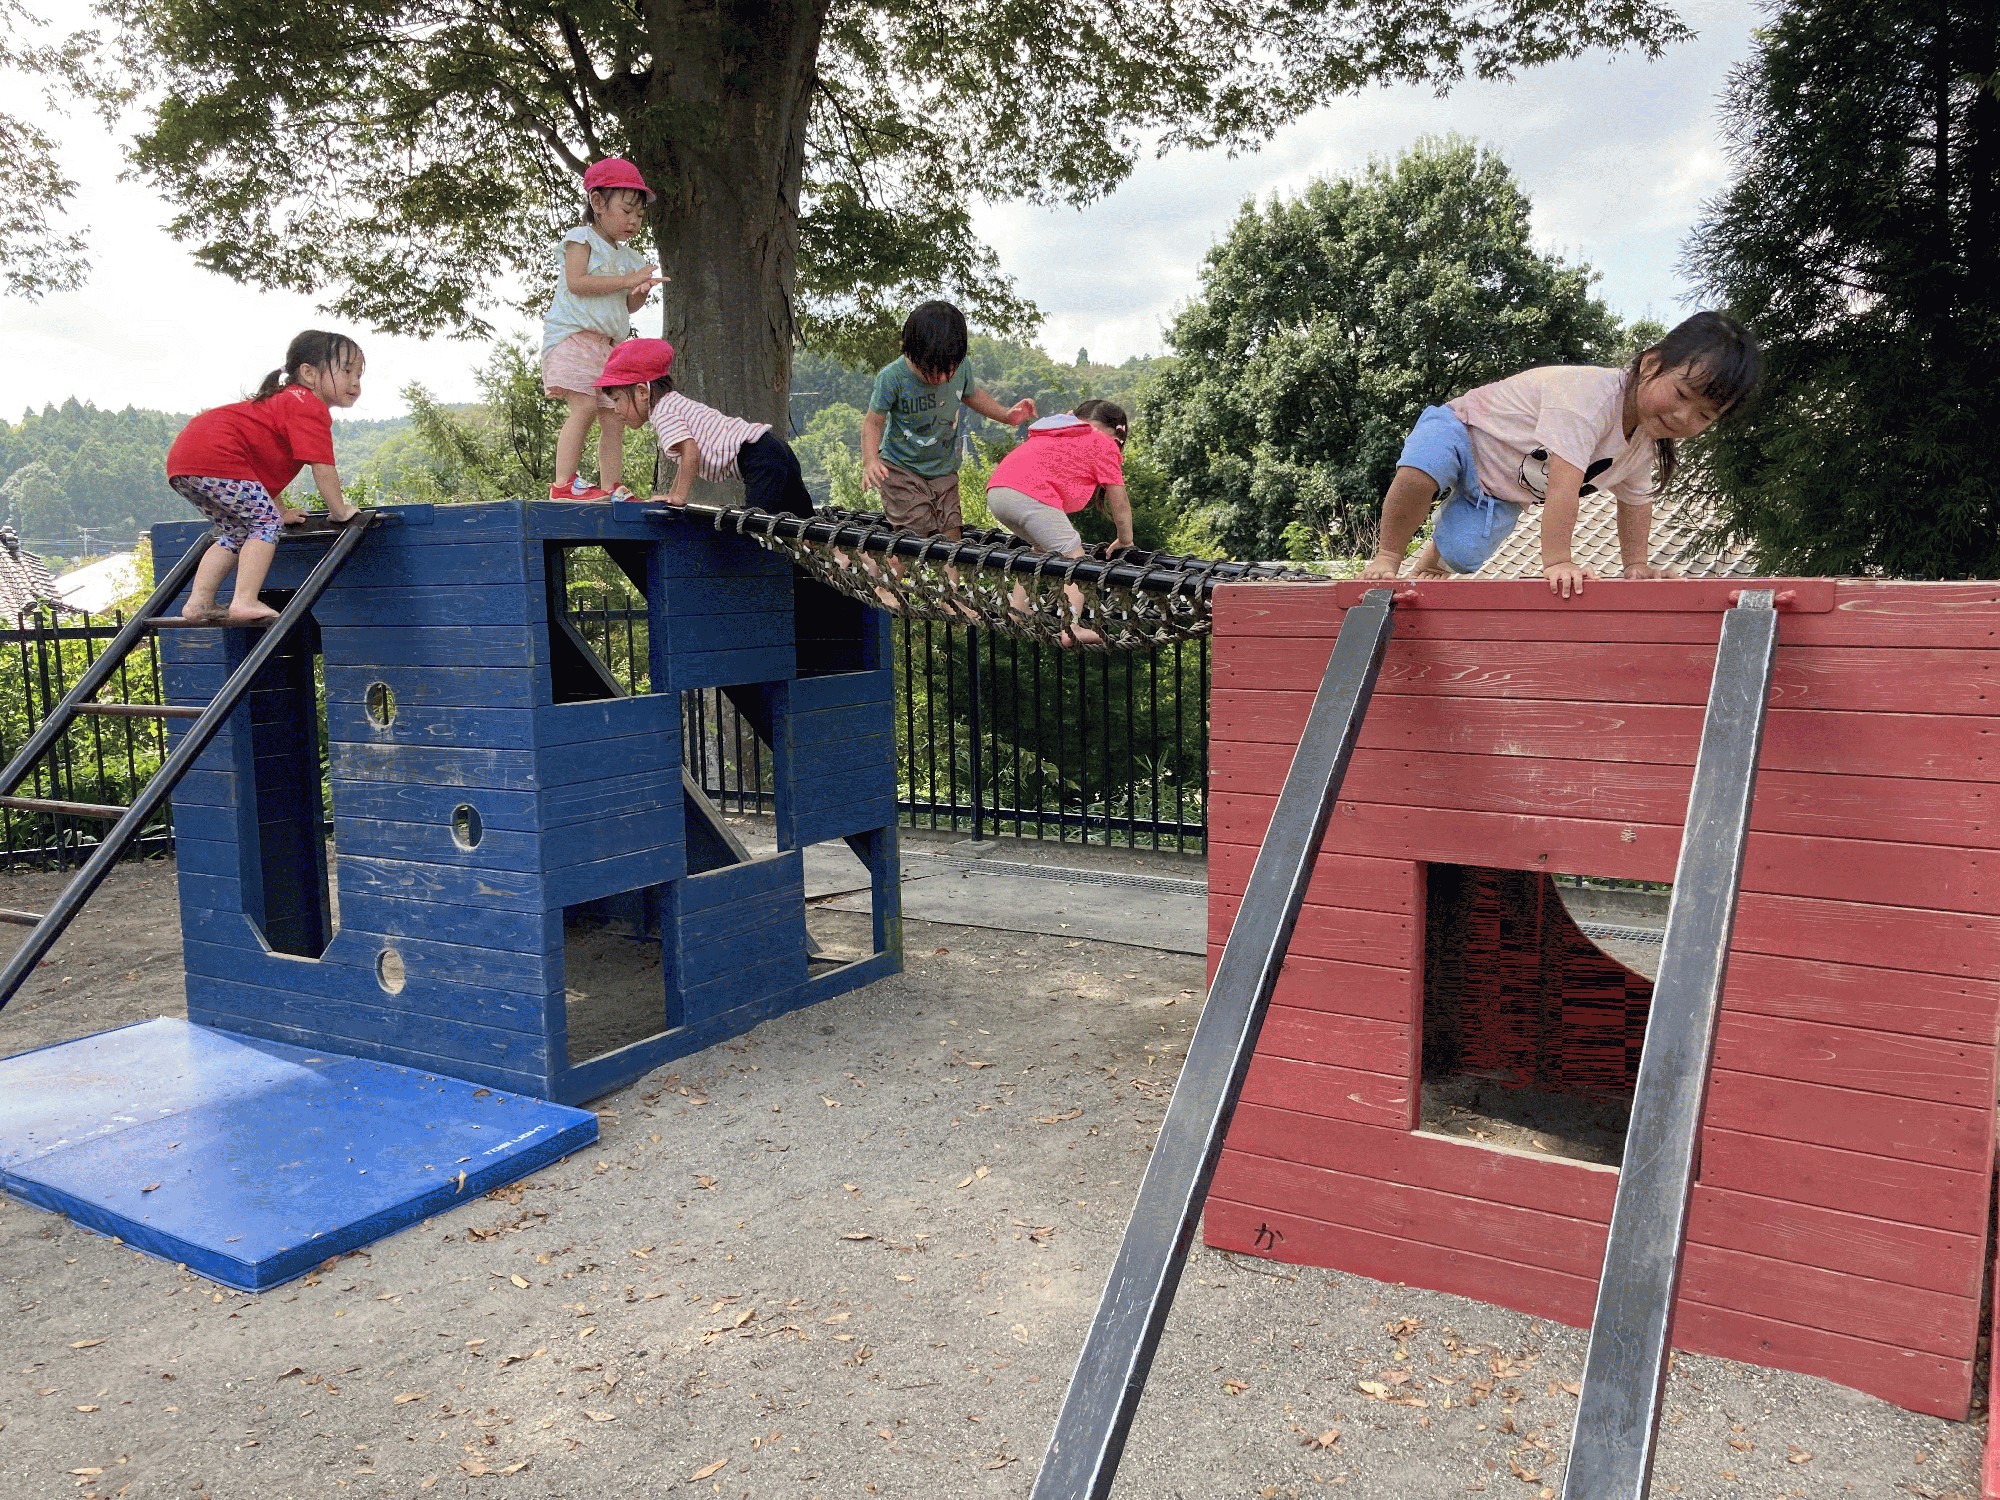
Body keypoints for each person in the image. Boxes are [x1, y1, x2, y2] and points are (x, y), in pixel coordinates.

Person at [1360, 311, 1763, 597]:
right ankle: (1387, 556)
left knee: (1464, 556)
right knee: (1423, 468)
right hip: (1466, 432)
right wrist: (1557, 561)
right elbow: (1563, 489)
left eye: (1705, 415)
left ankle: (1428, 565)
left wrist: (1636, 568)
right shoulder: (1590, 399)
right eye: (1681, 394)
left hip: (1499, 491)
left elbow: (1636, 504)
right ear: (1651, 363)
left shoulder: (1644, 440)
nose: (1683, 417)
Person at [165, 330, 364, 625]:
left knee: (236, 531)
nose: (355, 382)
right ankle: (244, 600)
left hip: (186, 461)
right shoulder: (308, 405)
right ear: (309, 373)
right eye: (346, 371)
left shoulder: (283, 403)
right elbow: (322, 467)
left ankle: (199, 603)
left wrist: (280, 509)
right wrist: (339, 510)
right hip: (216, 456)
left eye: (359, 374)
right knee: (266, 523)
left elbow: (258, 473)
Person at [541, 157, 664, 502]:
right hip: (573, 338)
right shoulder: (580, 240)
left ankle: (612, 487)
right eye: (626, 210)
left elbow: (627, 305)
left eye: (639, 215)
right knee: (584, 407)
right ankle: (563, 484)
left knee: (613, 416)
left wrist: (639, 291)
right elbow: (577, 282)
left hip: (609, 347)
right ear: (597, 202)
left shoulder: (629, 258)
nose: (633, 220)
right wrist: (626, 281)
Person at [861, 300, 1036, 539]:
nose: (941, 379)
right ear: (911, 353)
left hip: (943, 469)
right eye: (931, 372)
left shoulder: (962, 368)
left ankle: (945, 568)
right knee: (917, 534)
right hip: (901, 469)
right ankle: (885, 564)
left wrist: (1006, 415)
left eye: (948, 371)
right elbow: (873, 422)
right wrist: (870, 461)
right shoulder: (892, 377)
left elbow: (971, 394)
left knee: (952, 533)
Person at [594, 339, 815, 517]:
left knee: (758, 525)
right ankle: (829, 551)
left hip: (757, 456)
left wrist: (679, 497)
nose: (616, 409)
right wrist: (672, 495)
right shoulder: (673, 403)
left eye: (617, 400)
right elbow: (685, 457)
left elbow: (690, 451)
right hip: (771, 447)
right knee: (804, 520)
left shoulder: (662, 413)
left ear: (643, 392)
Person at [984, 399, 1136, 646]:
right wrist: (1125, 539)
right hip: (1029, 495)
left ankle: (1018, 609)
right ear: (1115, 434)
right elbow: (1120, 501)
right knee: (1076, 558)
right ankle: (1071, 628)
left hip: (998, 492)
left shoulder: (1057, 430)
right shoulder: (1103, 443)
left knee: (1039, 550)